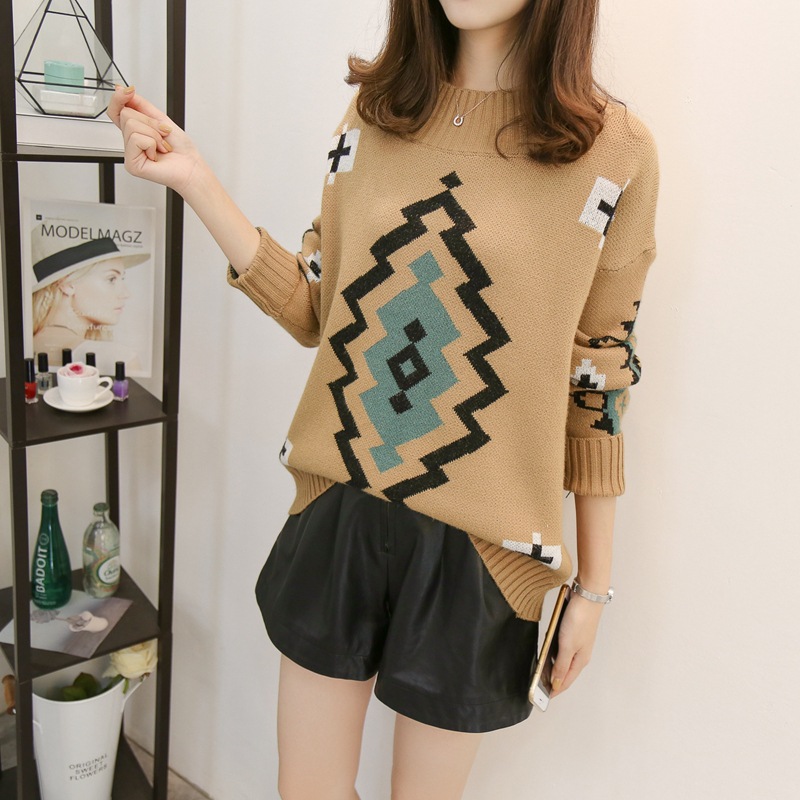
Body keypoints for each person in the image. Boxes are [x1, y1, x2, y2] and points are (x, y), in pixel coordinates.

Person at [108, 0, 659, 797]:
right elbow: (315, 305)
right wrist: (195, 179)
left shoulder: (614, 153)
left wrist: (593, 588)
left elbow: (598, 380)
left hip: (484, 550)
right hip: (342, 507)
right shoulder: (377, 114)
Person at [31, 230, 149, 371]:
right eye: (111, 279)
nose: (126, 294)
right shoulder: (119, 358)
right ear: (67, 285)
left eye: (121, 278)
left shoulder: (29, 345)